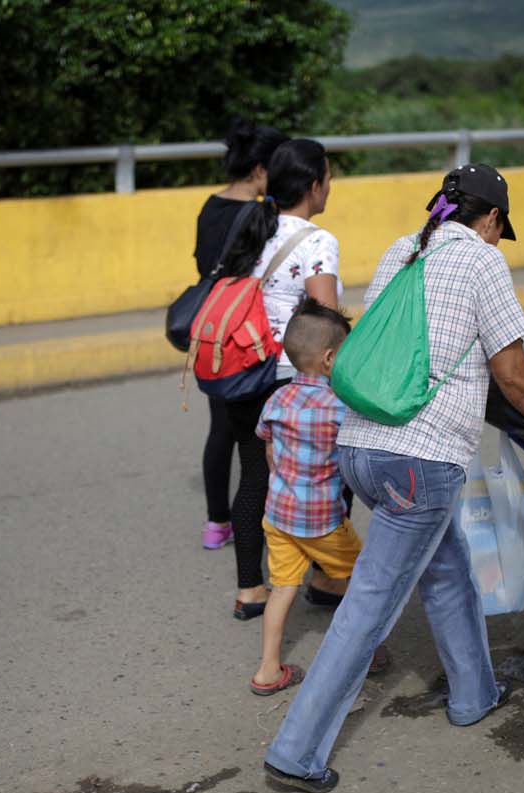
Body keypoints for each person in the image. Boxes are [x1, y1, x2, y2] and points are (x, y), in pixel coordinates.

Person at [262, 163, 524, 793]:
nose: (496, 238)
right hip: (421, 461)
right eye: (498, 228)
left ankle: (473, 694)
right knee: (370, 605)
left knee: (446, 567)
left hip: (362, 448)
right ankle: (295, 752)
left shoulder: (402, 250)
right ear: (490, 218)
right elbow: (513, 371)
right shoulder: (483, 262)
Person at [221, 138, 346, 621]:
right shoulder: (317, 241)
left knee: (255, 476)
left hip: (243, 366)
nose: (329, 187)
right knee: (323, 473)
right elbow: (326, 315)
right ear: (314, 185)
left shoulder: (250, 227)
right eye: (328, 178)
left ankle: (251, 589)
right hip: (294, 376)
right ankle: (326, 575)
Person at [249, 299, 379, 695]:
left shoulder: (277, 400)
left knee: (283, 587)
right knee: (364, 580)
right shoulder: (341, 406)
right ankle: (366, 655)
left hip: (279, 515)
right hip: (322, 521)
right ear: (329, 358)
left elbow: (268, 448)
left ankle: (268, 669)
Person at [192, 120, 289, 551]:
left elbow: (202, 263)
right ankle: (260, 521)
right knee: (255, 438)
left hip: (213, 326)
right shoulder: (260, 213)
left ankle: (217, 524)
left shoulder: (209, 206)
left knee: (220, 428)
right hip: (246, 330)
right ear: (259, 169)